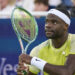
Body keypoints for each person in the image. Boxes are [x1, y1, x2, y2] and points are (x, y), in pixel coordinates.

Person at [17, 8, 75, 75]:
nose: (48, 25)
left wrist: (34, 61)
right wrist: (24, 73)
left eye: (54, 22)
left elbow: (67, 72)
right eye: (46, 22)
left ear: (66, 26)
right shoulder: (38, 50)